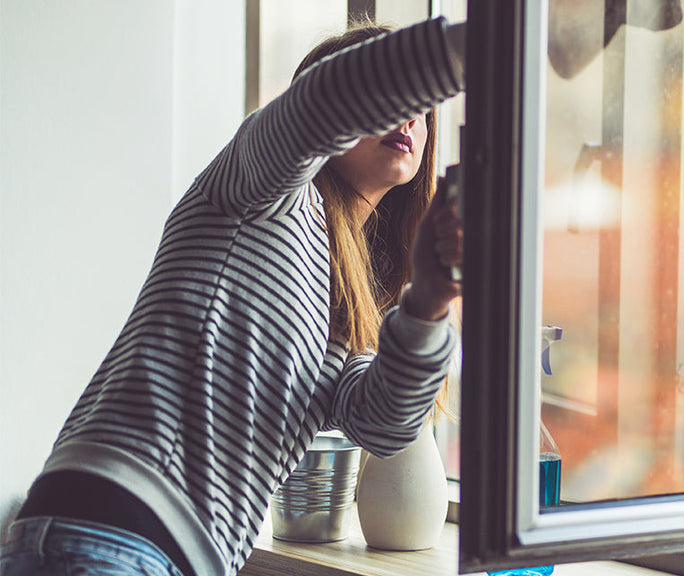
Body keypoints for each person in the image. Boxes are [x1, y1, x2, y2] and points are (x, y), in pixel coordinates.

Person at [1, 16, 465, 576]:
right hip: (115, 535)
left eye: (421, 108)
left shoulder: (347, 302)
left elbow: (385, 425)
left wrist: (430, 301)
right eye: (392, 95)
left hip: (136, 547)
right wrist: (474, 46)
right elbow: (323, 102)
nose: (411, 113)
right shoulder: (263, 190)